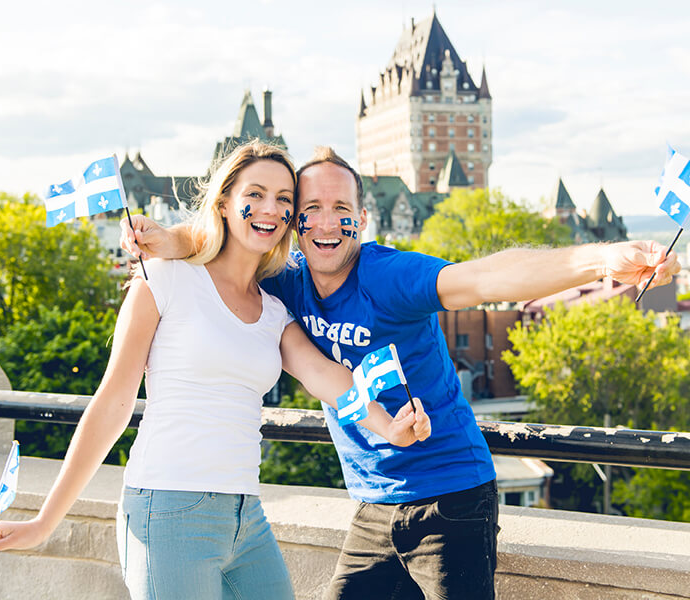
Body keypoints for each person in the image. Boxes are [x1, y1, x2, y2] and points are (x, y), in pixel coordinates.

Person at [115, 146, 680, 600]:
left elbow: (487, 280)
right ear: (293, 221)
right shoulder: (286, 281)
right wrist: (170, 239)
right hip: (371, 503)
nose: (327, 224)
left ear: (362, 220)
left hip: (451, 496)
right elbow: (227, 234)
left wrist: (601, 259)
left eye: (343, 212)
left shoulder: (389, 276)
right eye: (311, 209)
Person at [0, 142, 431, 600]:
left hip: (245, 517)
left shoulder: (274, 311)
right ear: (224, 203)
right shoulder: (165, 279)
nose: (270, 208)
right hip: (166, 508)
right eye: (255, 194)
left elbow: (325, 376)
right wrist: (43, 522)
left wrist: (389, 426)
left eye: (284, 199)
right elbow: (111, 404)